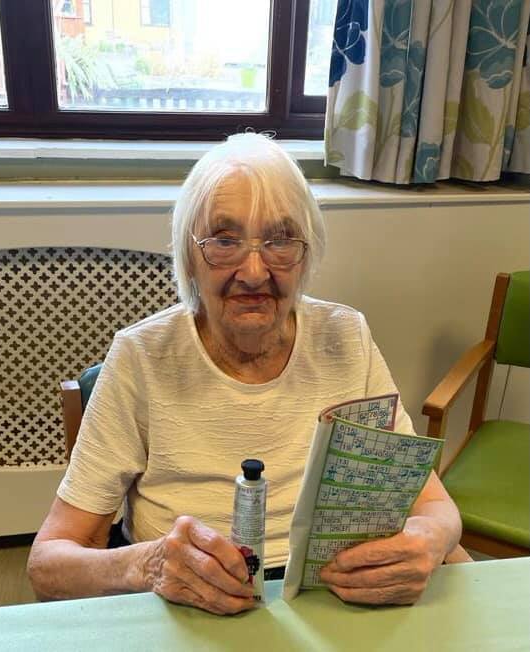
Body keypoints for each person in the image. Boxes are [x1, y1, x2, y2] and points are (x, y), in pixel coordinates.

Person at [28, 133, 463, 615]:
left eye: (280, 241)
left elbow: (433, 506)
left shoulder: (347, 336)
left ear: (306, 254)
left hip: (332, 602)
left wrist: (429, 539)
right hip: (186, 608)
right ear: (189, 256)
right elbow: (47, 565)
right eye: (224, 241)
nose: (254, 272)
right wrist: (147, 566)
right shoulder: (141, 355)